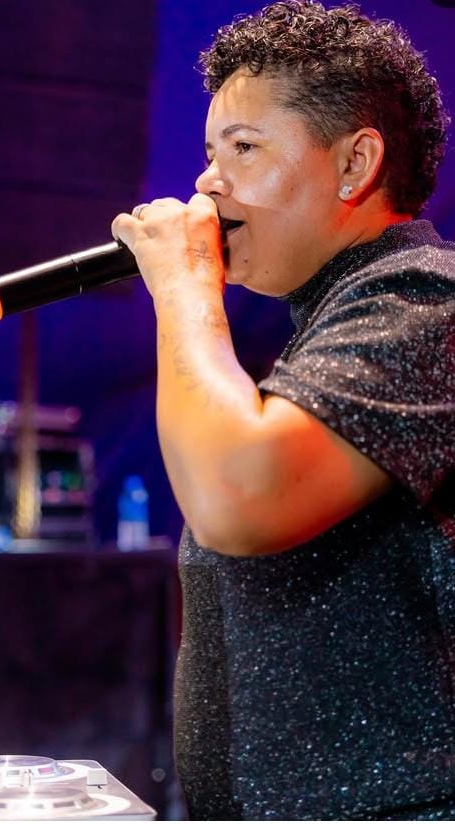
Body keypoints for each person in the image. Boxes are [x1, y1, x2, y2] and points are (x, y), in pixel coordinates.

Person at [111, 0, 455, 819]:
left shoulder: (424, 299)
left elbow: (239, 496)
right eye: (209, 153)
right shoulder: (337, 319)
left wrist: (184, 289)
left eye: (244, 148)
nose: (206, 184)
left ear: (354, 164)